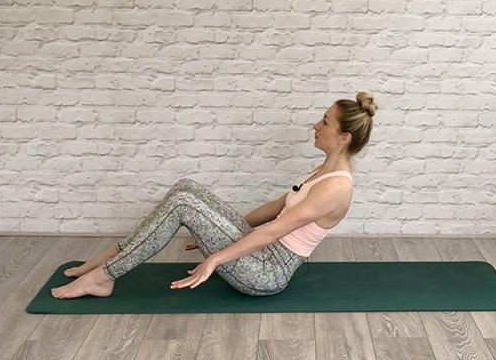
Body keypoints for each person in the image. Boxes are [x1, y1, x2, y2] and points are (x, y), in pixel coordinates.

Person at [51, 92, 378, 299]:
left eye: (325, 122)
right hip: (259, 254)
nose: (315, 125)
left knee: (183, 203)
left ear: (344, 138)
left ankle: (103, 277)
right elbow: (276, 207)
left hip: (266, 273)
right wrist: (216, 226)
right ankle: (108, 259)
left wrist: (215, 257)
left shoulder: (336, 188)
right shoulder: (324, 169)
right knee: (186, 188)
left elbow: (275, 231)